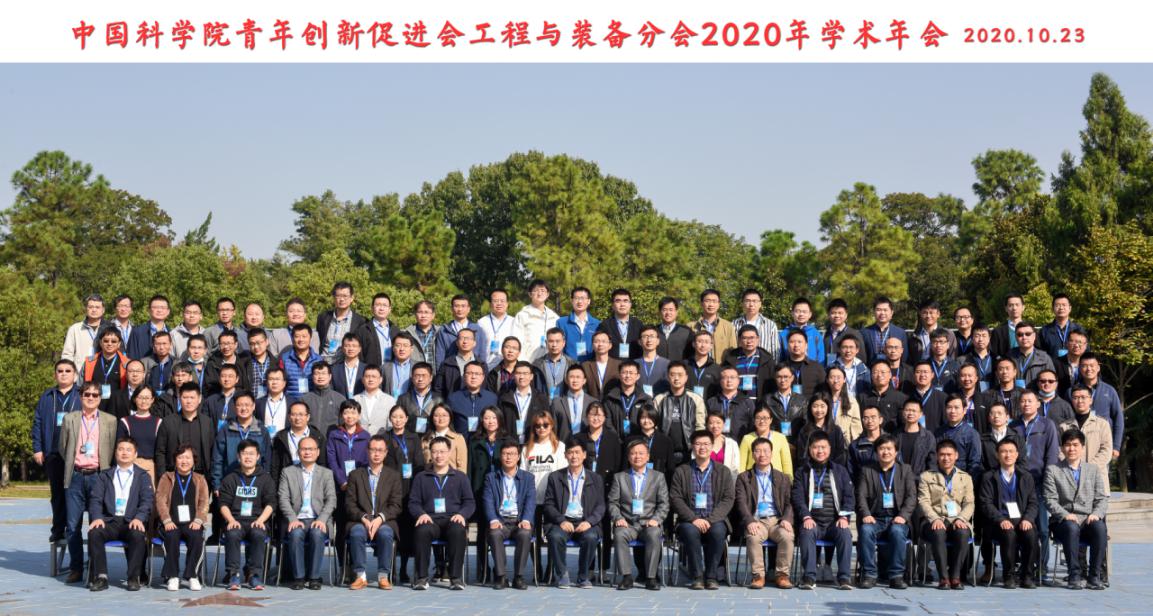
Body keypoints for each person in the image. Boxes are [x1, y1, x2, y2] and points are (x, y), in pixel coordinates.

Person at [61, 382, 119, 584]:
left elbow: (112, 448)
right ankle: (76, 568)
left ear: (100, 398)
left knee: (97, 525)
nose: (91, 398)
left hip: (99, 477)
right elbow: (63, 447)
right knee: (72, 526)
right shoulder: (70, 419)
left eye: (95, 395)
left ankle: (95, 568)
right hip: (75, 476)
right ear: (81, 396)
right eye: (87, 394)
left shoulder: (110, 420)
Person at [85, 437, 154, 592]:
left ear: (135, 454)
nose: (124, 453)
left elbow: (147, 500)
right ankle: (101, 577)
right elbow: (95, 499)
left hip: (131, 521)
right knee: (94, 533)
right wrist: (97, 517)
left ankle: (133, 577)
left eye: (129, 450)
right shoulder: (105, 475)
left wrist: (139, 518)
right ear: (115, 453)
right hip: (110, 521)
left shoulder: (143, 476)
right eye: (121, 449)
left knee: (138, 535)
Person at [1043, 429, 1109, 590]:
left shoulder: (1093, 470)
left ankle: (1094, 576)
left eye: (1075, 445)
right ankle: (1074, 575)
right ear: (1062, 448)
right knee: (1071, 528)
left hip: (1087, 519)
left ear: (1082, 447)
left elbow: (1102, 498)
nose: (1071, 448)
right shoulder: (1053, 470)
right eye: (1067, 445)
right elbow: (1049, 499)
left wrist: (1096, 514)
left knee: (1100, 528)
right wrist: (1065, 514)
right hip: (1062, 522)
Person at [669, 430, 735, 590]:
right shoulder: (682, 471)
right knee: (690, 532)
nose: (702, 447)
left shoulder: (723, 471)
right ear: (692, 447)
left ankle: (711, 576)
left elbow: (728, 499)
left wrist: (710, 520)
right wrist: (694, 519)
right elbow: (676, 498)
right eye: (698, 444)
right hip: (689, 520)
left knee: (718, 532)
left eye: (706, 444)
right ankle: (697, 576)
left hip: (715, 519)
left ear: (712, 446)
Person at [409, 436, 476, 590]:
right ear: (430, 453)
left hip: (452, 519)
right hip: (430, 519)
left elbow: (469, 502)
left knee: (458, 530)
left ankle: (455, 578)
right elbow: (413, 502)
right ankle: (421, 578)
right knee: (422, 530)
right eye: (435, 452)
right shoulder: (421, 477)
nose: (439, 455)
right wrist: (420, 514)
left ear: (449, 452)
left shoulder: (460, 477)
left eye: (442, 452)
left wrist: (462, 515)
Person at [792, 430, 854, 590]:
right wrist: (806, 516)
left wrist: (844, 517)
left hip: (834, 522)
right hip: (813, 521)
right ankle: (809, 577)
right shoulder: (802, 472)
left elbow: (849, 496)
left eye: (823, 447)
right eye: (815, 447)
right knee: (807, 532)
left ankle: (844, 578)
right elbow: (798, 497)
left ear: (829, 449)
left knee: (845, 534)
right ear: (809, 449)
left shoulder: (840, 471)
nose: (820, 451)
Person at [543, 437, 606, 588]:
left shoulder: (595, 478)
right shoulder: (555, 477)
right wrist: (561, 520)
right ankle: (562, 575)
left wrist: (589, 522)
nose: (574, 456)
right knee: (555, 536)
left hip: (585, 521)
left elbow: (601, 506)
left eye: (577, 452)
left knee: (591, 537)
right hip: (563, 521)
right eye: (570, 452)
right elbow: (549, 504)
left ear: (584, 455)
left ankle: (583, 577)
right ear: (565, 455)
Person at [855, 434, 915, 589]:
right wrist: (866, 514)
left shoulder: (905, 470)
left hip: (897, 519)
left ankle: (896, 576)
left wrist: (903, 516)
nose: (885, 452)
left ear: (896, 452)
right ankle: (869, 574)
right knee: (865, 530)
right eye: (882, 449)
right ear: (876, 451)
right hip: (875, 519)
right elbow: (860, 495)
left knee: (897, 532)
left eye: (889, 449)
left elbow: (911, 497)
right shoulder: (867, 470)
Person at [1010, 389, 1060, 579]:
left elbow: (1052, 455)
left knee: (1042, 528)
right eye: (1023, 401)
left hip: (1039, 483)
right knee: (1018, 525)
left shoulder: (1047, 425)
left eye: (1030, 401)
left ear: (1038, 404)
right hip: (1016, 484)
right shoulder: (1013, 426)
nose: (1026, 404)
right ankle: (1022, 564)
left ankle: (1042, 566)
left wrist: (1048, 480)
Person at [609, 439, 670, 591]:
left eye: (641, 453)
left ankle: (651, 577)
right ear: (628, 457)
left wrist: (656, 519)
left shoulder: (658, 477)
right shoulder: (619, 477)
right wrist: (618, 518)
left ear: (648, 456)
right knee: (619, 534)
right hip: (628, 524)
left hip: (649, 523)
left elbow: (664, 503)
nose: (637, 456)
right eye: (633, 453)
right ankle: (626, 577)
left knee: (654, 534)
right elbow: (612, 502)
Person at [734, 436, 794, 589]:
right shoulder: (744, 478)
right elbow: (741, 502)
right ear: (753, 454)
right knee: (753, 536)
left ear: (772, 453)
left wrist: (787, 519)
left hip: (777, 520)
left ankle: (782, 575)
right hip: (756, 520)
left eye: (766, 451)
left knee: (787, 536)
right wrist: (749, 520)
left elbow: (790, 502)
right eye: (758, 451)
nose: (762, 455)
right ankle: (758, 576)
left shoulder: (782, 478)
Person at [32, 359, 82, 542]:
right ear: (55, 375)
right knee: (57, 494)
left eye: (68, 371)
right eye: (60, 371)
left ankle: (73, 529)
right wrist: (38, 449)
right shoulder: (47, 396)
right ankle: (58, 529)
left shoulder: (82, 395)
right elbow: (37, 423)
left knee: (73, 493)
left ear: (75, 375)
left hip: (76, 453)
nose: (63, 374)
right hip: (53, 452)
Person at [978, 437, 1039, 588]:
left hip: (1021, 520)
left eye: (1011, 451)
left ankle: (1027, 576)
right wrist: (1000, 519)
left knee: (1031, 534)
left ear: (1017, 454)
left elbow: (1033, 502)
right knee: (1008, 534)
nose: (1008, 455)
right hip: (998, 522)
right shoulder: (988, 477)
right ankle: (1009, 576)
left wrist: (1028, 519)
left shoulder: (1026, 476)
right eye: (1003, 452)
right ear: (997, 455)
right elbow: (985, 503)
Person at [279, 435, 338, 590]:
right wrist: (292, 518)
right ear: (298, 452)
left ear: (317, 452)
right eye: (304, 449)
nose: (307, 452)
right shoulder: (288, 472)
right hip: (296, 518)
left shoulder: (326, 473)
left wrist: (322, 519)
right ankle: (298, 577)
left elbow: (331, 500)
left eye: (311, 449)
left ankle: (314, 577)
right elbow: (283, 498)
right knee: (295, 534)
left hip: (318, 518)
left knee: (317, 534)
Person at [218, 439, 276, 591]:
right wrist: (230, 520)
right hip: (236, 520)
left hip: (257, 520)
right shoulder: (231, 478)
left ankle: (254, 575)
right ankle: (233, 574)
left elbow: (271, 503)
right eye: (244, 454)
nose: (248, 457)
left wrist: (261, 520)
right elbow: (223, 504)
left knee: (258, 534)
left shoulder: (265, 479)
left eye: (251, 454)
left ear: (258, 456)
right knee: (232, 534)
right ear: (238, 456)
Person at [345, 435, 402, 590]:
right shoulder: (355, 475)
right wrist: (364, 518)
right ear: (367, 451)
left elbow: (396, 505)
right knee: (356, 533)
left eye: (380, 450)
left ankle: (383, 576)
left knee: (385, 533)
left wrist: (380, 518)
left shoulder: (393, 476)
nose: (376, 453)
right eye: (373, 450)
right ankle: (360, 576)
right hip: (360, 520)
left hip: (384, 521)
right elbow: (350, 504)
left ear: (386, 453)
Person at [918, 439, 976, 590]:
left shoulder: (965, 477)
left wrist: (962, 518)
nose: (946, 458)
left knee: (963, 533)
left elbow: (969, 503)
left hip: (957, 519)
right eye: (942, 454)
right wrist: (934, 518)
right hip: (933, 519)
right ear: (937, 456)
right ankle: (943, 578)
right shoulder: (926, 476)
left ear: (956, 455)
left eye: (949, 454)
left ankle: (955, 576)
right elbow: (923, 501)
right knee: (938, 532)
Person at [483, 440, 537, 590]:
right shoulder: (491, 478)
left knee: (525, 534)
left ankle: (518, 577)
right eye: (505, 454)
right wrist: (493, 519)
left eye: (512, 454)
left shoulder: (528, 478)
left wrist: (526, 519)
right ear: (500, 456)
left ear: (518, 456)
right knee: (494, 534)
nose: (508, 457)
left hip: (519, 521)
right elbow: (487, 501)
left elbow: (530, 501)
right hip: (500, 521)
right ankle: (501, 576)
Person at [156, 446, 210, 591]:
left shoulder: (200, 479)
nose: (184, 461)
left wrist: (199, 520)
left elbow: (204, 502)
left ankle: (192, 575)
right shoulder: (167, 477)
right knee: (171, 537)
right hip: (171, 522)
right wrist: (166, 520)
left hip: (192, 523)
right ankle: (172, 576)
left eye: (187, 457)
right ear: (175, 460)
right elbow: (160, 500)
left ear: (193, 460)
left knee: (197, 538)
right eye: (180, 457)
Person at [383, 404, 424, 583]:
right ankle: (390, 569)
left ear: (407, 419)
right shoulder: (384, 437)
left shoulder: (414, 438)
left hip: (409, 487)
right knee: (392, 529)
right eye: (394, 417)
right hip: (389, 488)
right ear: (390, 419)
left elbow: (419, 463)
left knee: (407, 531)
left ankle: (403, 569)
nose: (398, 420)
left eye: (401, 417)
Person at [651, 362, 707, 468]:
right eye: (672, 375)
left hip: (688, 452)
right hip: (664, 451)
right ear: (668, 377)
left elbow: (700, 427)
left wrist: (697, 447)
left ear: (686, 377)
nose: (676, 378)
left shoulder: (696, 399)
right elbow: (654, 426)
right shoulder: (659, 399)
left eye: (680, 375)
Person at [212, 393, 270, 492]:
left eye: (247, 405)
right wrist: (217, 483)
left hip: (255, 482)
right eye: (239, 405)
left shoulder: (262, 430)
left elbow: (266, 459)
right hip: (230, 481)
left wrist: (264, 482)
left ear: (253, 406)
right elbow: (218, 458)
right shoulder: (226, 429)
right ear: (235, 407)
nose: (243, 408)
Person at [1060, 385, 1113, 477]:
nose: (1080, 401)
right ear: (1072, 401)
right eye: (1076, 398)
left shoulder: (1102, 424)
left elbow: (1106, 450)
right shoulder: (1064, 427)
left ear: (1090, 400)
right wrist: (1073, 468)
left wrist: (1088, 469)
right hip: (1071, 476)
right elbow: (1060, 451)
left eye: (1083, 397)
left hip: (1097, 476)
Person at [1078, 353, 1123, 462]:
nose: (1089, 369)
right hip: (1079, 442)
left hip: (1103, 441)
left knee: (1101, 472)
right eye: (1084, 366)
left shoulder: (1109, 390)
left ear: (1098, 368)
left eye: (1092, 365)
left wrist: (1116, 446)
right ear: (1079, 368)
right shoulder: (1073, 391)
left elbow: (1118, 418)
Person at [269, 401, 326, 485]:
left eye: (301, 414)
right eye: (294, 414)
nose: (297, 418)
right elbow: (275, 466)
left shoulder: (318, 437)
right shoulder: (280, 437)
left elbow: (322, 463)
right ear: (289, 417)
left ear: (308, 417)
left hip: (311, 482)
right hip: (287, 482)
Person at [115, 385, 162, 482]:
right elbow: (119, 448)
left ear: (152, 400)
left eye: (147, 398)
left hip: (150, 467)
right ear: (134, 399)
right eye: (140, 397)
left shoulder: (159, 422)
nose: (143, 401)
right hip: (129, 466)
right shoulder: (125, 421)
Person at [933, 394, 983, 478]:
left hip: (961, 479)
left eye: (956, 407)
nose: (952, 411)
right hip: (939, 478)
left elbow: (974, 463)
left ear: (964, 410)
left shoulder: (971, 434)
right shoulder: (938, 432)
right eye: (949, 407)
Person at [316, 281, 367, 364]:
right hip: (324, 365)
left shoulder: (360, 321)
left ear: (352, 298)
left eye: (345, 296)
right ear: (334, 297)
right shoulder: (323, 317)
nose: (342, 299)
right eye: (338, 296)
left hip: (345, 365)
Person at [434, 297, 490, 370]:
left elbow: (482, 354)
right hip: (450, 370)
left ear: (468, 309)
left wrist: (483, 371)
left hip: (473, 372)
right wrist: (440, 373)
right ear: (452, 309)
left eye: (463, 306)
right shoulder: (444, 330)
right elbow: (440, 355)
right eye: (456, 306)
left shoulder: (477, 330)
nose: (460, 309)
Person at [499, 361, 550, 441]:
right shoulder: (505, 398)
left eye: (525, 373)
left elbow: (548, 423)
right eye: (518, 373)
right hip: (511, 444)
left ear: (531, 376)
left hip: (534, 443)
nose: (521, 377)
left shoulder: (541, 399)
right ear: (513, 375)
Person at [446, 361, 499, 437]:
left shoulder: (492, 398)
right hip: (460, 441)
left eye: (477, 374)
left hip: (484, 441)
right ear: (464, 376)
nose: (473, 377)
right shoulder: (453, 398)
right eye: (469, 373)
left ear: (483, 377)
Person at [723, 325, 776, 401]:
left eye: (752, 337)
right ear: (739, 340)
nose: (749, 341)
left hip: (760, 404)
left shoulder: (767, 360)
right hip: (737, 404)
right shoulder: (730, 359)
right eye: (745, 338)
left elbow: (773, 385)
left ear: (758, 339)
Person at [793, 395, 847, 468]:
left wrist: (832, 469)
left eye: (822, 406)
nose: (819, 410)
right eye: (815, 406)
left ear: (828, 407)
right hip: (811, 471)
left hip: (832, 470)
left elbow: (840, 456)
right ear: (810, 408)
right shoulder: (805, 431)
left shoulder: (836, 430)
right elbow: (801, 456)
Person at [737, 407, 792, 477]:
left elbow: (787, 464)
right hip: (752, 480)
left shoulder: (781, 438)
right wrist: (742, 480)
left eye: (765, 418)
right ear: (754, 420)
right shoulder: (747, 439)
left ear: (771, 420)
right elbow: (741, 465)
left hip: (777, 480)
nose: (762, 421)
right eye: (758, 418)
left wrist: (789, 480)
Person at [478, 288, 525, 369]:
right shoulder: (482, 322)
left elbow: (519, 345)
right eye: (495, 301)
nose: (499, 303)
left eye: (502, 301)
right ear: (490, 304)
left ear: (507, 304)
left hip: (508, 366)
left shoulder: (514, 321)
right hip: (485, 365)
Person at [707, 365, 755, 441]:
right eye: (725, 377)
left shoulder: (747, 402)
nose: (729, 380)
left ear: (738, 381)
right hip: (717, 443)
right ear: (720, 381)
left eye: (732, 377)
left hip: (740, 443)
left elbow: (752, 425)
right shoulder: (712, 402)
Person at [515, 280, 559, 362]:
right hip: (528, 362)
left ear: (547, 294)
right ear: (530, 294)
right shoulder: (522, 315)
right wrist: (523, 363)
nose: (539, 293)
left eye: (542, 291)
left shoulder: (554, 317)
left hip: (549, 363)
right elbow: (516, 341)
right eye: (536, 291)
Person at [280, 323, 325, 401]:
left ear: (310, 338)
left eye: (304, 336)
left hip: (313, 401)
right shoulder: (284, 359)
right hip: (290, 402)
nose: (301, 340)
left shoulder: (319, 360)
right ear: (292, 338)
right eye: (297, 336)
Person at [858, 360, 908, 429]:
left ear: (890, 375)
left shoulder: (900, 398)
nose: (879, 375)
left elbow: (903, 424)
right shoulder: (863, 397)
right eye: (875, 372)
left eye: (883, 372)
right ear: (871, 376)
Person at [733, 288, 781, 359]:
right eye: (747, 301)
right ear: (742, 303)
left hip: (764, 364)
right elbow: (732, 347)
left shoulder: (770, 325)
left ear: (760, 304)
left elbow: (775, 351)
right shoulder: (734, 324)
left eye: (754, 301)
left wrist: (772, 365)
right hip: (741, 363)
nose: (751, 304)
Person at [821, 365, 863, 445]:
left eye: (839, 377)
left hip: (844, 444)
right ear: (827, 380)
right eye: (832, 377)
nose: (836, 380)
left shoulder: (851, 401)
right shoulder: (821, 400)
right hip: (823, 442)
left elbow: (856, 427)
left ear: (844, 380)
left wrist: (854, 445)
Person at [692, 289, 739, 361]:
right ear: (701, 303)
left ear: (718, 304)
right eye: (707, 301)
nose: (711, 304)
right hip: (697, 366)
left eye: (714, 301)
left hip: (721, 367)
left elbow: (733, 352)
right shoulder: (691, 327)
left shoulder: (728, 326)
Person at [556, 286, 600, 363]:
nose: (579, 301)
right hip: (568, 365)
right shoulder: (562, 322)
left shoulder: (597, 324)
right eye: (576, 298)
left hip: (590, 365)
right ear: (572, 301)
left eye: (583, 298)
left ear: (588, 301)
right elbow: (558, 347)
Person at [299, 362, 346, 433]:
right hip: (309, 438)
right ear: (312, 377)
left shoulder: (340, 399)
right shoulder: (304, 399)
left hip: (332, 439)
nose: (320, 377)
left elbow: (344, 425)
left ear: (330, 376)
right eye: (317, 373)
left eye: (323, 373)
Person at [84, 328, 129, 400]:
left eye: (113, 341)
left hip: (117, 403)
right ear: (100, 343)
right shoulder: (89, 362)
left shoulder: (127, 364)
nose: (109, 344)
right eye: (106, 341)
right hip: (94, 402)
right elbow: (80, 386)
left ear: (119, 344)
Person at [354, 292, 398, 368]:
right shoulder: (363, 330)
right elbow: (359, 356)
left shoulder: (395, 330)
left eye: (384, 305)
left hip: (391, 371)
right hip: (371, 372)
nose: (381, 308)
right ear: (372, 308)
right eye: (378, 305)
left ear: (389, 309)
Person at [420, 403, 468, 472]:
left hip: (452, 477)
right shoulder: (425, 439)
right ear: (432, 418)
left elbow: (462, 467)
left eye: (444, 415)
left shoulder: (458, 439)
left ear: (450, 417)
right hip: (430, 476)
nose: (441, 419)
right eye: (436, 415)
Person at [551, 364, 593, 441]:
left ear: (584, 381)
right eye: (572, 377)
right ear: (566, 380)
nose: (575, 380)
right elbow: (553, 429)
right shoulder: (557, 403)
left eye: (578, 377)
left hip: (586, 444)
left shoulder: (592, 402)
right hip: (563, 444)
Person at [598, 288, 643, 360]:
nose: (622, 304)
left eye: (625, 301)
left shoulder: (638, 324)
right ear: (612, 305)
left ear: (630, 304)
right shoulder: (605, 325)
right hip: (613, 365)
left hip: (634, 364)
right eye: (618, 301)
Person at [61, 293, 106, 365]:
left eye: (97, 307)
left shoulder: (109, 328)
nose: (94, 310)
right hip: (80, 371)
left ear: (103, 310)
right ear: (86, 309)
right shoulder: (75, 329)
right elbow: (67, 355)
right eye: (90, 307)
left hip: (103, 370)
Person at [1008, 322, 1055, 389]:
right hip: (1014, 394)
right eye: (1020, 335)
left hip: (1036, 395)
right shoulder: (1008, 357)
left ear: (1034, 336)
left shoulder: (1045, 358)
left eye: (1028, 334)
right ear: (1016, 337)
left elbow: (1052, 383)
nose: (1024, 337)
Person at [777, 298, 825, 364]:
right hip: (789, 369)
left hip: (812, 369)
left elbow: (821, 358)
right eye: (798, 311)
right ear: (792, 313)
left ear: (810, 314)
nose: (801, 314)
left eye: (804, 312)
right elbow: (780, 358)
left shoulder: (816, 334)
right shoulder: (784, 334)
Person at [765, 364, 806, 439]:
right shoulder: (767, 400)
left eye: (786, 377)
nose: (782, 380)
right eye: (779, 377)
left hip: (796, 440)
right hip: (775, 440)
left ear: (792, 378)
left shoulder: (802, 400)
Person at [861, 296, 908, 363]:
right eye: (879, 310)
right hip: (871, 368)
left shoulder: (900, 333)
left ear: (891, 313)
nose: (882, 313)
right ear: (874, 312)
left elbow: (904, 357)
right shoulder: (864, 332)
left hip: (892, 368)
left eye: (885, 310)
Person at [896, 399, 937, 476]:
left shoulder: (928, 437)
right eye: (907, 410)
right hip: (899, 479)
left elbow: (932, 462)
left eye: (914, 411)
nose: (910, 413)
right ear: (903, 412)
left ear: (921, 414)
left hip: (919, 480)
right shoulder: (895, 435)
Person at [1039, 294, 1085, 360]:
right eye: (1057, 305)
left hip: (1074, 366)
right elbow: (1040, 354)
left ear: (1070, 308)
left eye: (1064, 305)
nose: (1061, 308)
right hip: (1052, 366)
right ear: (1052, 309)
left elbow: (1085, 352)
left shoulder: (1079, 329)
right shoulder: (1044, 331)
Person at [396, 361, 441, 430]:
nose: (420, 379)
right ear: (412, 378)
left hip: (430, 434)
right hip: (409, 435)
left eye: (424, 375)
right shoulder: (403, 399)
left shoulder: (438, 399)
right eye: (417, 376)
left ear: (431, 378)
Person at [783, 328, 827, 397]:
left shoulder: (817, 367)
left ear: (806, 345)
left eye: (799, 342)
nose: (796, 345)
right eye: (792, 342)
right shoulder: (782, 368)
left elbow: (824, 391)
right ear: (787, 346)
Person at [906, 361, 948, 431]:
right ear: (914, 375)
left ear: (932, 375)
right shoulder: (906, 397)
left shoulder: (942, 397)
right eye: (918, 372)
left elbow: (946, 423)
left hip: (935, 437)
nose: (922, 375)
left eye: (925, 372)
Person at [533, 327, 575, 399]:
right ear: (546, 343)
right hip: (544, 404)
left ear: (563, 343)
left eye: (557, 341)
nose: (554, 345)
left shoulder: (572, 364)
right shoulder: (537, 365)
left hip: (565, 404)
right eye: (551, 341)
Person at [847, 405, 885, 480]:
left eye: (873, 417)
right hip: (864, 484)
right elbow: (851, 471)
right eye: (866, 418)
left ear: (880, 420)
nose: (870, 421)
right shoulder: (855, 445)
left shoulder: (890, 443)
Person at [127, 294, 170, 361]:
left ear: (168, 311)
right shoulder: (137, 332)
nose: (159, 310)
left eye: (162, 307)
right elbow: (132, 358)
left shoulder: (172, 333)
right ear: (149, 310)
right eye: (155, 307)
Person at [354, 365, 396, 434]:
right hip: (359, 439)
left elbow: (391, 425)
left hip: (382, 439)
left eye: (374, 377)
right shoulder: (355, 399)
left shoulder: (390, 400)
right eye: (367, 376)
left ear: (380, 380)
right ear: (363, 380)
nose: (370, 379)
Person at [581, 330, 622, 399]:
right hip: (591, 403)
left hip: (612, 403)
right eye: (597, 341)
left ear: (610, 345)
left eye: (604, 341)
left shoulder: (618, 365)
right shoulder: (585, 366)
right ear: (592, 346)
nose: (600, 344)